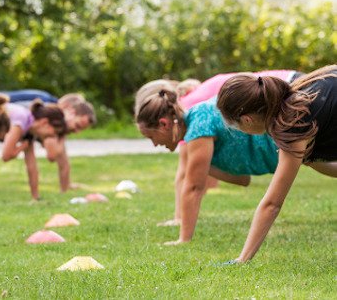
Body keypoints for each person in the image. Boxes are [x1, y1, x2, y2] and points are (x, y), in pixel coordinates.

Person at [135, 70, 302, 227]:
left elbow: (187, 176)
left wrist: (180, 219)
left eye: (151, 137)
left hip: (288, 88)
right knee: (313, 155)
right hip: (281, 88)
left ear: (161, 120)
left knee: (311, 149)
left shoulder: (189, 111)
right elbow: (239, 178)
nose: (154, 144)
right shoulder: (184, 111)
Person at [216, 64, 337, 263]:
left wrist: (242, 259)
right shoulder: (299, 93)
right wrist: (308, 158)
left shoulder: (293, 122)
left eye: (236, 126)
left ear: (247, 120)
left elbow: (272, 204)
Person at [135, 89, 279, 245]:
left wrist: (184, 239)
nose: (155, 145)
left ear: (164, 124)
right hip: (283, 149)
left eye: (151, 137)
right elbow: (242, 179)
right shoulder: (198, 119)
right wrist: (202, 167)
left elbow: (193, 188)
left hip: (283, 141)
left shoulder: (199, 126)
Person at [6, 90, 97, 192]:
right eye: (77, 126)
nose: (76, 132)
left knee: (29, 151)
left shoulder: (55, 118)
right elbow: (52, 155)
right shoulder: (49, 113)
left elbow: (63, 161)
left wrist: (65, 188)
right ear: (70, 111)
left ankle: (54, 191)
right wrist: (63, 134)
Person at [1, 101, 67, 200]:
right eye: (55, 132)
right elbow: (6, 156)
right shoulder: (21, 119)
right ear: (44, 122)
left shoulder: (30, 128)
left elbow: (32, 166)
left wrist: (35, 197)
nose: (53, 136)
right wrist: (23, 146)